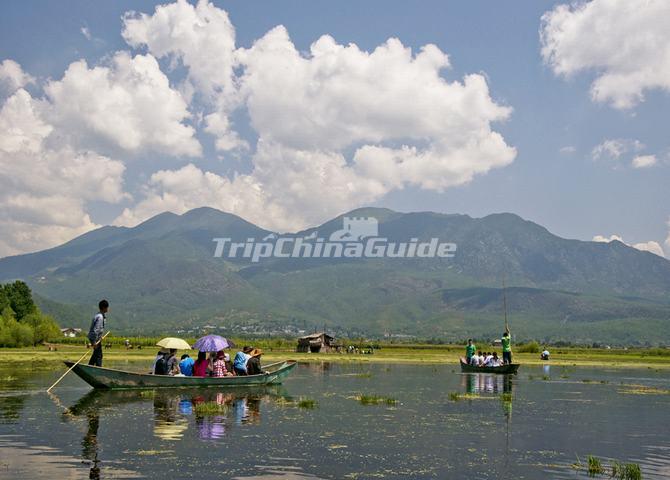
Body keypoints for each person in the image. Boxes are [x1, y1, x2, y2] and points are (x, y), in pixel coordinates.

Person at [87, 299, 109, 367]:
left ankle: (90, 366)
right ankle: (98, 368)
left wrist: (100, 337)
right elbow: (96, 330)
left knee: (96, 354)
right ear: (104, 308)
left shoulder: (99, 315)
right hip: (95, 338)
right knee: (99, 355)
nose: (108, 309)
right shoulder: (100, 317)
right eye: (107, 307)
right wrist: (94, 342)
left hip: (96, 338)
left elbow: (99, 330)